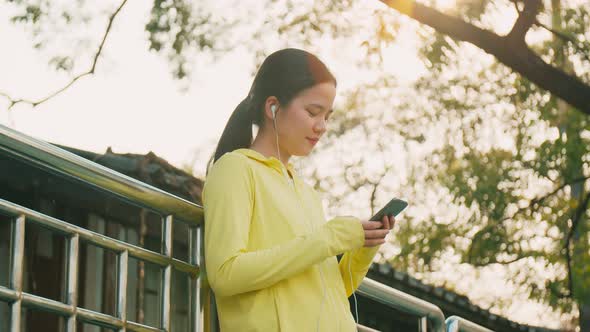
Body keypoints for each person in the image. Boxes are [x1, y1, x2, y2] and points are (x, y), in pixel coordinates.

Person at [202, 48, 396, 331]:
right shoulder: (235, 169)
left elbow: (327, 291)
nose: (322, 127)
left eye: (327, 116)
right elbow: (225, 273)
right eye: (313, 112)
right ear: (273, 107)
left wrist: (363, 248)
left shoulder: (306, 193)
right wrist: (329, 238)